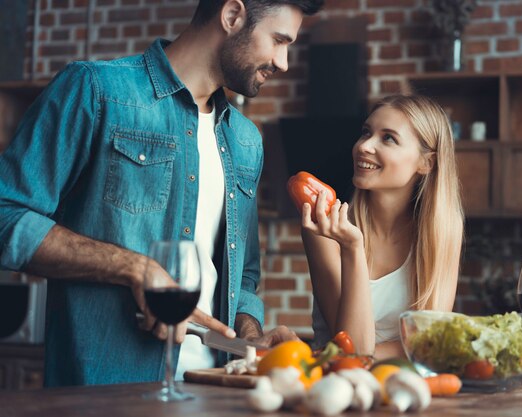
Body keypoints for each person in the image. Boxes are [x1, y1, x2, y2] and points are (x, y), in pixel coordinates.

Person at [0, 0, 324, 387]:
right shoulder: (96, 91)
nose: (283, 62)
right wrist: (134, 268)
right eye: (278, 40)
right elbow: (6, 214)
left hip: (215, 387)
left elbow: (244, 274)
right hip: (107, 392)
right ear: (232, 16)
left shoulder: (245, 140)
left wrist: (250, 337)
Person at [300, 94, 464, 359]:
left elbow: (430, 339)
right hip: (339, 386)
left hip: (410, 384)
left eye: (388, 138)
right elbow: (352, 349)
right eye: (366, 133)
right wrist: (353, 248)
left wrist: (375, 356)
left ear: (426, 163)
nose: (364, 146)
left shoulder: (443, 230)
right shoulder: (325, 227)